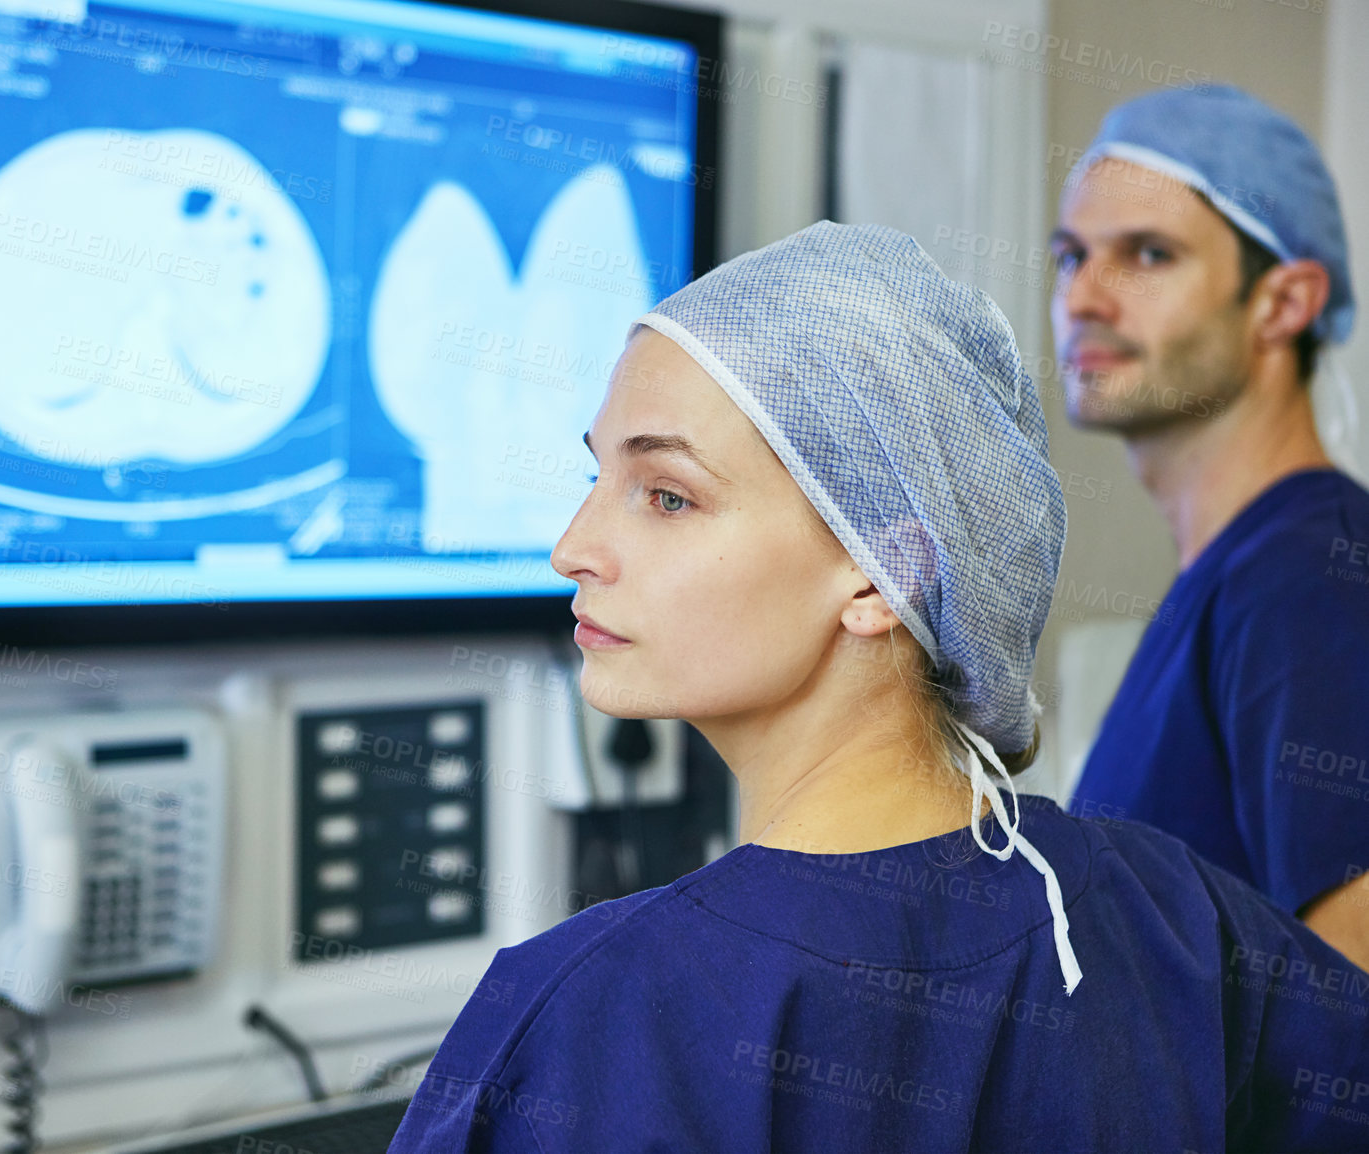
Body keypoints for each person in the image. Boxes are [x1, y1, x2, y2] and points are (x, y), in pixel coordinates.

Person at [385, 223, 1369, 1153]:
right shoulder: (1174, 917)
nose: (573, 548)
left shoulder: (593, 1014)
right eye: (594, 477)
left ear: (879, 573)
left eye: (668, 495)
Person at [1053, 86, 1369, 971]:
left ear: (1283, 302)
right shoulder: (1234, 578)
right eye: (1070, 255)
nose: (1084, 296)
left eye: (1147, 254)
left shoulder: (1312, 578)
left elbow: (1351, 1028)